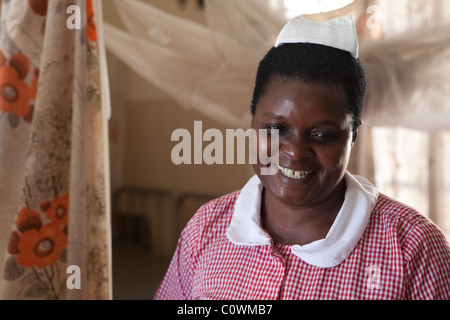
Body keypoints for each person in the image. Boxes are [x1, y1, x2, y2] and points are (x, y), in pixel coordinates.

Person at [154, 15, 450, 300]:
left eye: (322, 135)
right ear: (252, 124)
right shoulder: (206, 228)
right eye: (275, 129)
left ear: (353, 136)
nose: (295, 152)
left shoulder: (412, 248)